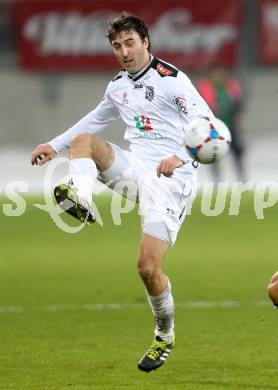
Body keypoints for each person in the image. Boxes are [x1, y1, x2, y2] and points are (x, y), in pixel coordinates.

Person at [31, 13, 213, 372]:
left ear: (146, 42)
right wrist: (54, 145)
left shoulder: (172, 81)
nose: (124, 52)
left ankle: (165, 332)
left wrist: (181, 156)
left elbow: (208, 123)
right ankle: (79, 195)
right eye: (117, 46)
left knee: (147, 268)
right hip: (134, 168)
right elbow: (94, 120)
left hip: (170, 180)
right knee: (85, 142)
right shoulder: (118, 86)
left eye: (130, 43)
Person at [196, 63, 245, 182]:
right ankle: (217, 180)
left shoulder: (232, 85)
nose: (218, 75)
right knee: (213, 153)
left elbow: (239, 103)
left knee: (236, 152)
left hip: (230, 125)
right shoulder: (204, 87)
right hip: (212, 128)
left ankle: (242, 178)